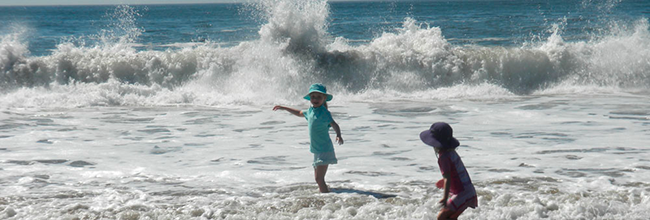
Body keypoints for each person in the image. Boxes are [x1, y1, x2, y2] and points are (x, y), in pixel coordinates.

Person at [273, 83, 344, 193]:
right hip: (317, 150)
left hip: (324, 149)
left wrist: (338, 135)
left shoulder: (324, 113)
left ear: (324, 98)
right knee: (317, 179)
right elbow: (299, 112)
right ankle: (326, 195)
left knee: (319, 179)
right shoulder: (310, 111)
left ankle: (326, 198)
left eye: (319, 97)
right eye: (313, 97)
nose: (315, 99)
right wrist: (284, 108)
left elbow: (334, 124)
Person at [420, 122, 478, 220]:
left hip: (462, 194)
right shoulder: (452, 153)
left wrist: (445, 197)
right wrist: (444, 181)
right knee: (451, 217)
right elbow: (456, 173)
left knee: (441, 217)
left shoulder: (443, 158)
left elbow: (448, 178)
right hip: (468, 192)